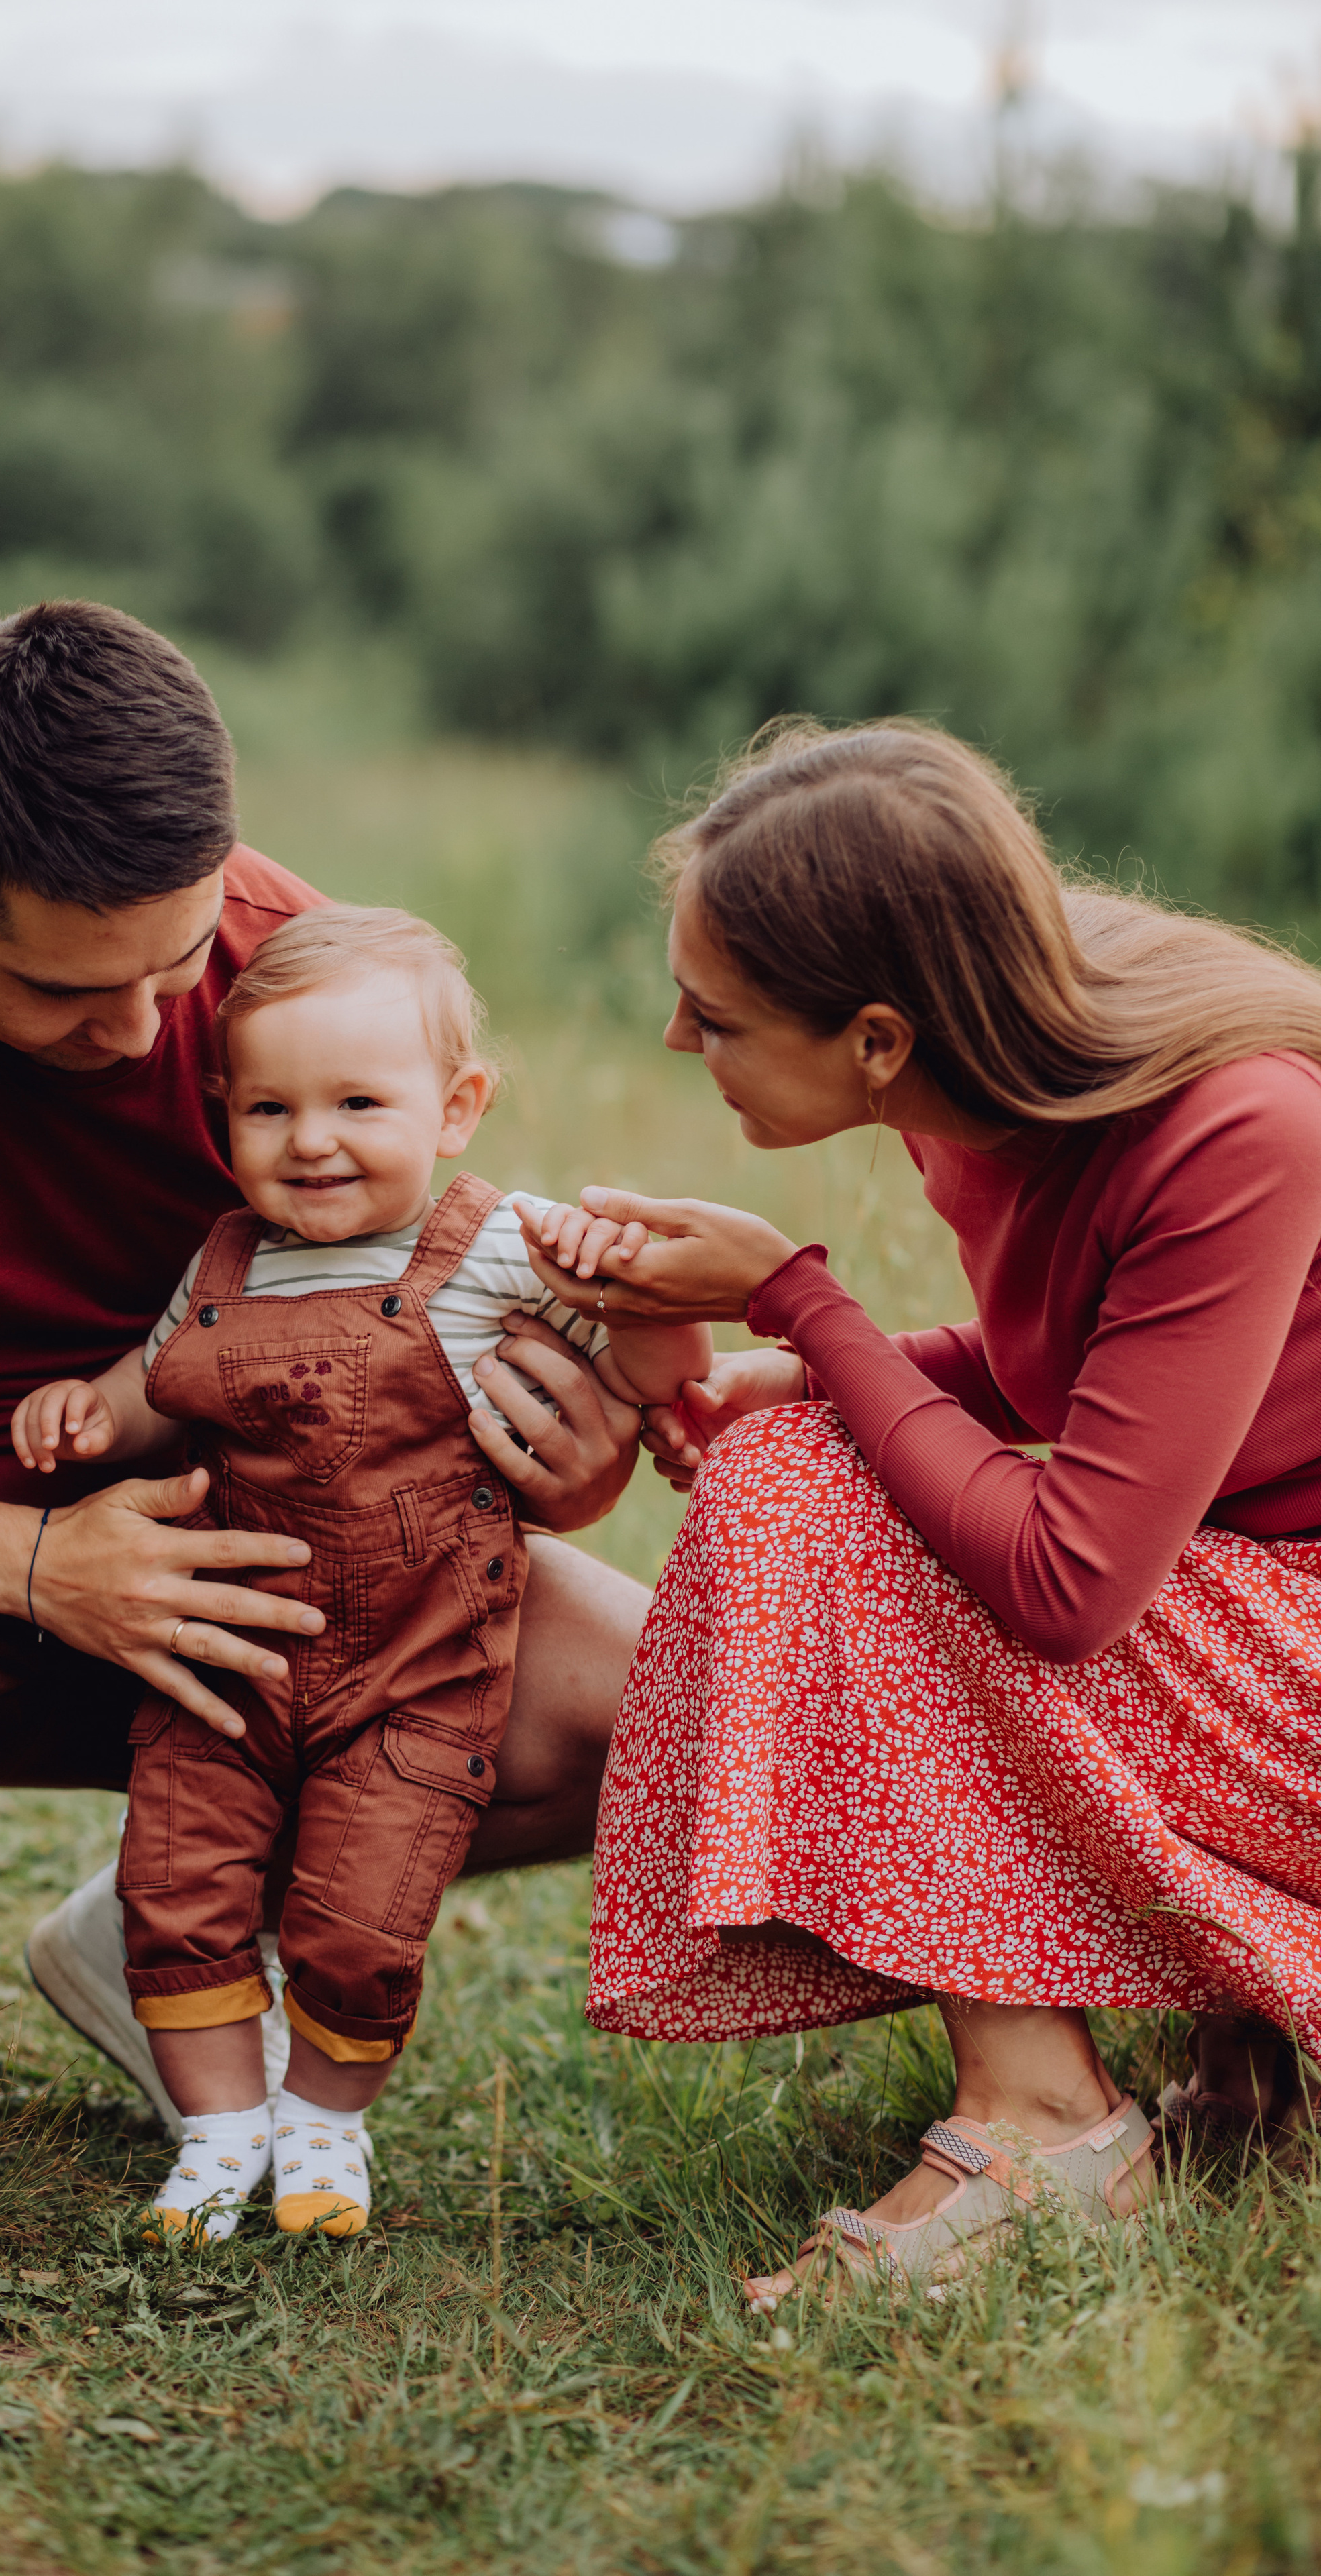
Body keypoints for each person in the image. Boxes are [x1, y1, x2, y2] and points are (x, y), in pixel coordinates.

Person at [0, 601, 647, 2178]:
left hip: (245, 1545)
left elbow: (413, 1303)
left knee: (656, 1702)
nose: (149, 1029)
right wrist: (30, 1564)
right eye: (62, 993)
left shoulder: (274, 960)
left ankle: (171, 1925)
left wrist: (563, 1455)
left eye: (175, 961)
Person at [523, 716, 1321, 2304]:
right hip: (1250, 1584)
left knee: (818, 1496)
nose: (681, 1043)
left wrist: (798, 1306)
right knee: (800, 1460)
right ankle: (1187, 2039)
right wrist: (830, 1365)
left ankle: (1044, 2127)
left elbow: (1068, 1581)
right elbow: (1110, 1367)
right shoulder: (1000, 1058)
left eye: (717, 1014)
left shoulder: (1236, 1120)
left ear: (879, 1038)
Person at [10, 904, 710, 2240]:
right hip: (230, 1656)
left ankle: (325, 2129)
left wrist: (661, 1355)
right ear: (224, 1113)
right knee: (180, 1885)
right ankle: (217, 2136)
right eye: (268, 1110)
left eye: (355, 1103)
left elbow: (634, 1340)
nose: (310, 1140)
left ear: (456, 1107)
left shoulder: (500, 1244)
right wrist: (91, 1413)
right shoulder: (225, 1261)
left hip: (418, 1670)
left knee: (363, 1912)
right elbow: (161, 1383)